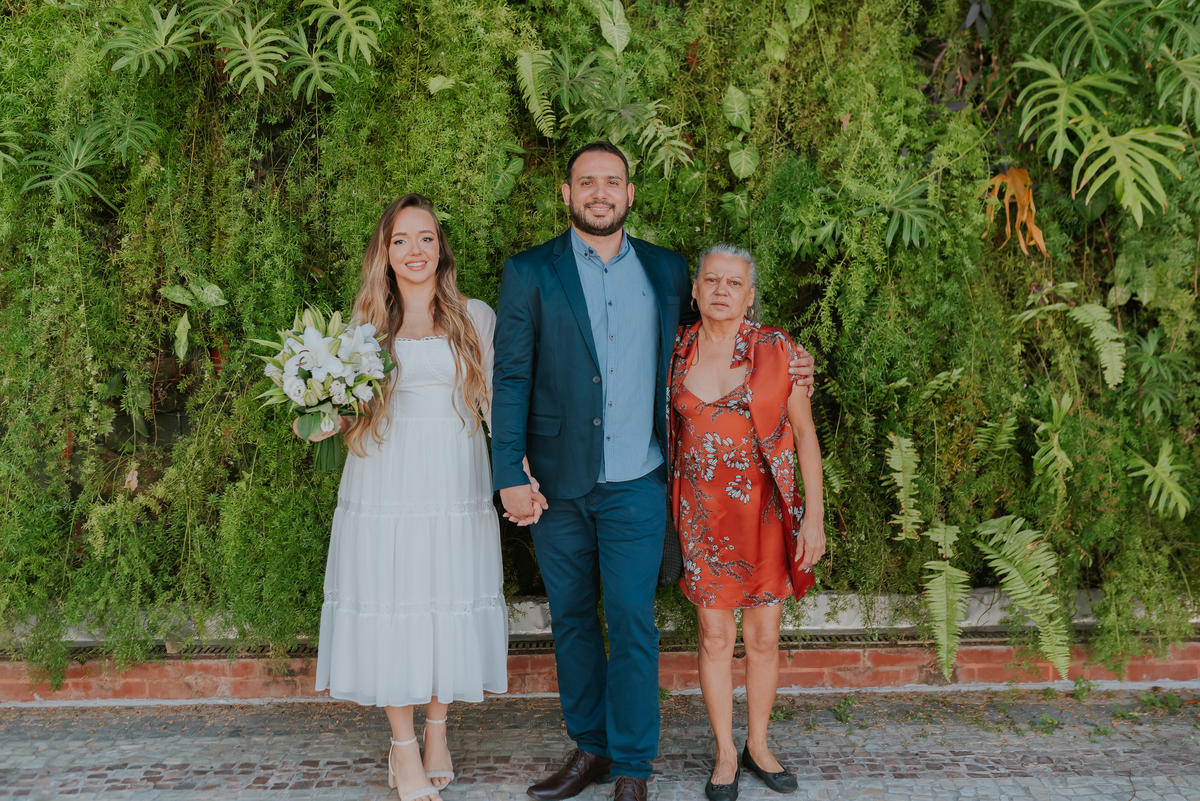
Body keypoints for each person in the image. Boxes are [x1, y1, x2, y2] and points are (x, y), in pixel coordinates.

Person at [491, 142, 816, 801]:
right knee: (575, 618)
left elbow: (728, 334)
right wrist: (507, 471)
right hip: (555, 483)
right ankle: (592, 748)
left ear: (630, 194)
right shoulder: (529, 273)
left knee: (634, 619)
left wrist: (794, 359)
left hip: (640, 482)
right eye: (587, 182)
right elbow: (512, 375)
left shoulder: (667, 272)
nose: (600, 192)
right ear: (568, 194)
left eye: (612, 181)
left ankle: (634, 766)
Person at [300, 194, 534, 801]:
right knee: (395, 601)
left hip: (454, 482)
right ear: (385, 251)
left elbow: (496, 410)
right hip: (385, 484)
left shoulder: (474, 317)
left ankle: (437, 730)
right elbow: (344, 417)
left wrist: (521, 472)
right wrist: (322, 418)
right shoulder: (361, 331)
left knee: (444, 599)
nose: (414, 251)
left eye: (425, 238)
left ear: (440, 248)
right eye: (401, 240)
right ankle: (402, 748)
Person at [668, 244, 826, 801]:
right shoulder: (676, 350)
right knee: (715, 636)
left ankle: (759, 745)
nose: (721, 290)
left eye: (734, 283)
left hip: (765, 513)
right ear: (695, 290)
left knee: (762, 636)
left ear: (750, 296)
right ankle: (726, 754)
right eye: (711, 280)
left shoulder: (777, 351)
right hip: (702, 517)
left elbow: (805, 436)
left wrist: (814, 517)